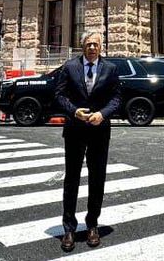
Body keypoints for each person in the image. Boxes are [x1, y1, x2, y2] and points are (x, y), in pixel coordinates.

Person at [54, 33, 122, 252]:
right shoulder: (70, 67)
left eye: (96, 44)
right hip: (75, 130)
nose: (92, 47)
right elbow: (59, 95)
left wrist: (102, 114)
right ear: (82, 46)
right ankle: (69, 228)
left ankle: (92, 224)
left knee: (97, 179)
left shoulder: (110, 69)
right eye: (88, 44)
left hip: (99, 131)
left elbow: (117, 98)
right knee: (71, 179)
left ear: (101, 47)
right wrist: (75, 112)